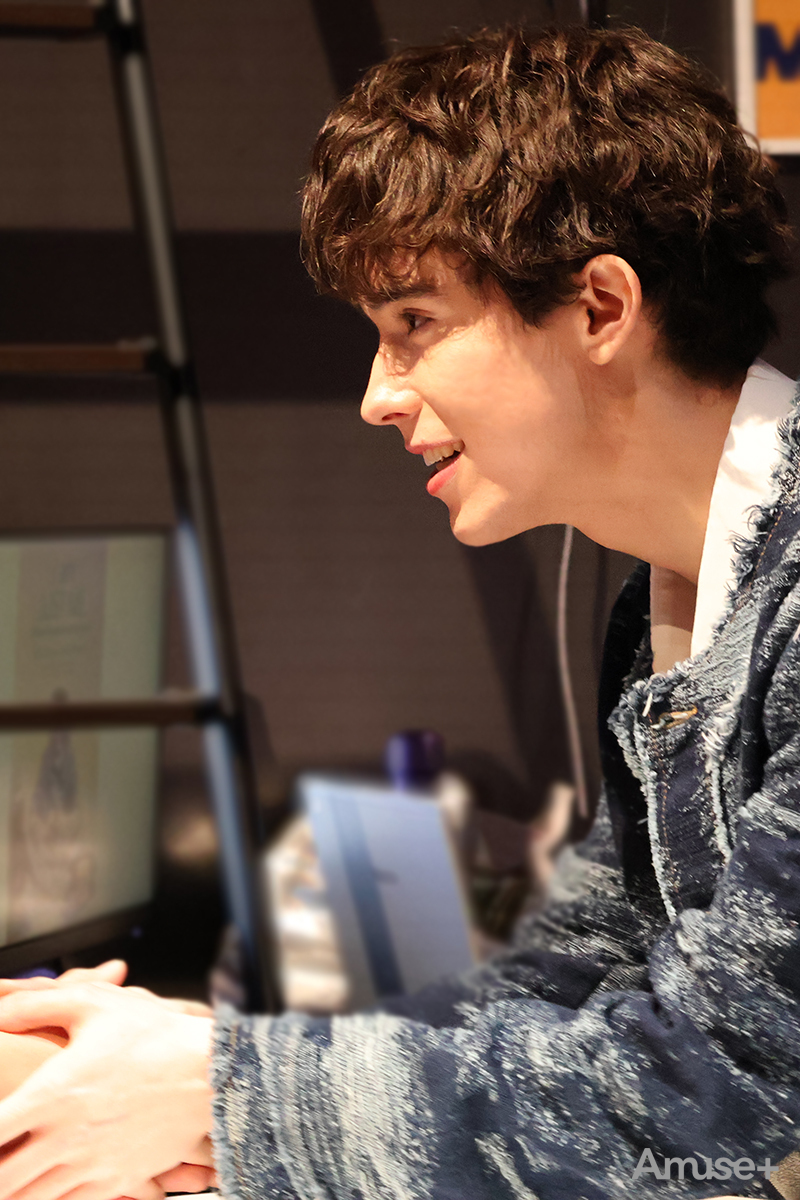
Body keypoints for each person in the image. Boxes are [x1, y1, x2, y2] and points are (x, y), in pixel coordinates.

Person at [0, 21, 797, 1200]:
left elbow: (705, 1095)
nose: (377, 396)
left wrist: (220, 1099)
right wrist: (173, 1080)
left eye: (413, 325)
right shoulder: (674, 599)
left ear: (598, 307)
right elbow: (567, 984)